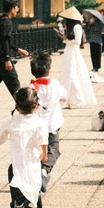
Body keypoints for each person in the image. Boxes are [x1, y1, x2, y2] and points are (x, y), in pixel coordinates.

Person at [0, 86, 48, 208]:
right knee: (33, 198)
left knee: (17, 201)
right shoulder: (40, 123)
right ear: (36, 106)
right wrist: (43, 157)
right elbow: (43, 146)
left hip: (16, 169)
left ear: (17, 107)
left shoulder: (12, 122)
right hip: (32, 167)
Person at [29, 50, 68, 178]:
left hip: (35, 124)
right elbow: (64, 97)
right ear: (48, 70)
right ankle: (44, 170)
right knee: (54, 149)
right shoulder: (55, 84)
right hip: (52, 125)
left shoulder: (31, 87)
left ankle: (36, 169)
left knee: (36, 148)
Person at [57, 8, 96, 107]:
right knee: (68, 73)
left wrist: (66, 39)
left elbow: (78, 42)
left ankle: (77, 99)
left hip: (73, 51)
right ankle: (69, 98)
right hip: (70, 50)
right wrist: (64, 38)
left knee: (72, 74)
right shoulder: (73, 27)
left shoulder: (77, 27)